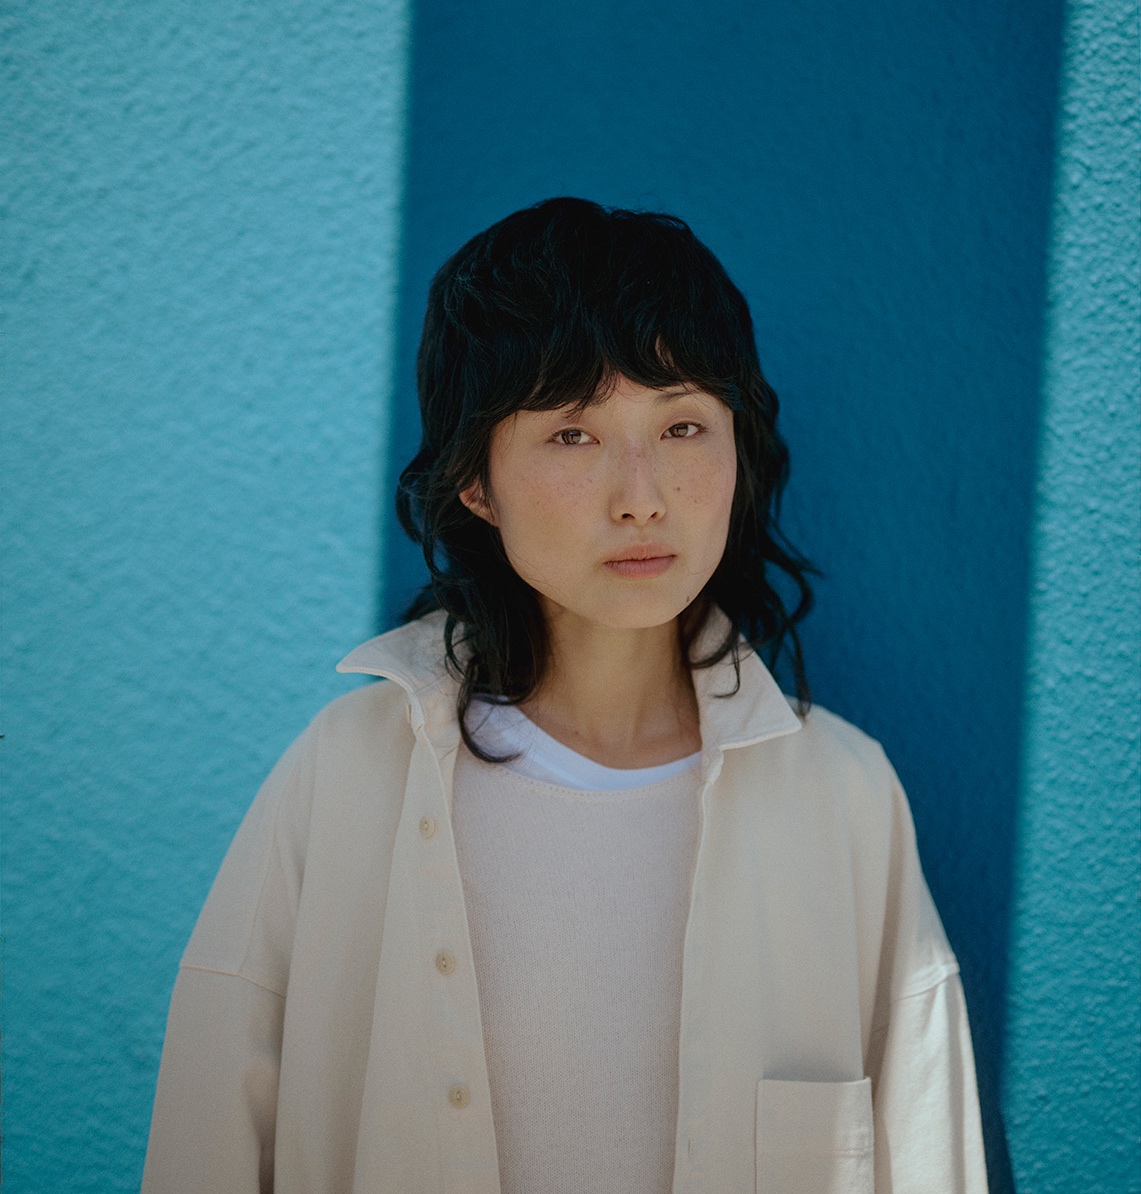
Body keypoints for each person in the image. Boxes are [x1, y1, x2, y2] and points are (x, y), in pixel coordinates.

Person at [142, 197, 988, 1193]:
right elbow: (208, 1140)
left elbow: (926, 1153)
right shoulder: (351, 772)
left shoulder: (842, 795)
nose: (642, 496)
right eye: (572, 434)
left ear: (738, 454)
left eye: (682, 426)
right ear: (475, 483)